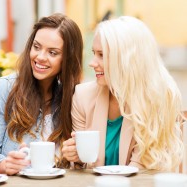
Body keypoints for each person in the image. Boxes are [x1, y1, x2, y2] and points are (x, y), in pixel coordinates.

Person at [62, 16, 185, 171]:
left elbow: (141, 168)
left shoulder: (158, 98)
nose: (92, 63)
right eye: (94, 53)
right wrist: (77, 157)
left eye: (102, 55)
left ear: (127, 59)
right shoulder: (82, 96)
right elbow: (84, 166)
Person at [0, 13, 83, 175]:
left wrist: (78, 156)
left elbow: (81, 162)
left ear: (67, 59)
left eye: (52, 53)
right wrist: (4, 165)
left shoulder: (72, 97)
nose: (40, 57)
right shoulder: (3, 89)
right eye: (36, 46)